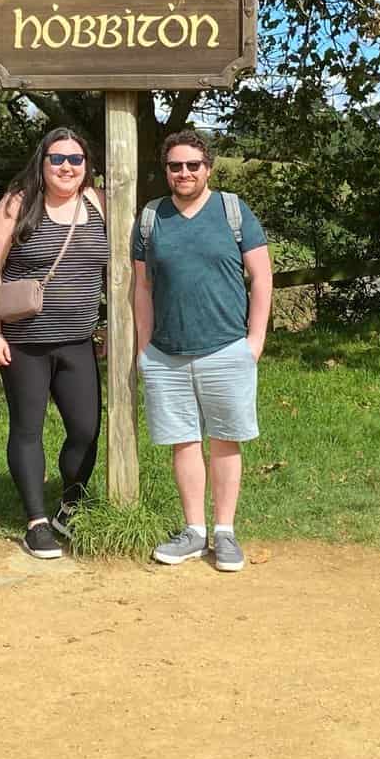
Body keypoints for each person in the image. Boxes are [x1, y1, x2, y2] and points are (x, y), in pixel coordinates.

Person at [133, 129, 272, 572]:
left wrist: (255, 341)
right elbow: (141, 286)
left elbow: (262, 277)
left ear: (208, 168)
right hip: (166, 353)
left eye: (193, 164)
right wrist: (143, 349)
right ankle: (194, 531)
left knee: (225, 440)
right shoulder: (151, 217)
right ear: (166, 171)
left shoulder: (233, 211)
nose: (184, 172)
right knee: (183, 442)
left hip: (226, 347)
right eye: (176, 166)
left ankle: (225, 532)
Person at [0, 128, 109, 559]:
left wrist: (111, 326)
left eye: (75, 159)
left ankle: (70, 506)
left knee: (86, 430)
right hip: (25, 342)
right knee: (28, 429)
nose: (67, 167)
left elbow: (121, 269)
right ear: (43, 162)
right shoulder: (19, 202)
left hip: (79, 341)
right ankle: (36, 522)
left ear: (87, 165)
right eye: (57, 159)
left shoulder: (100, 203)